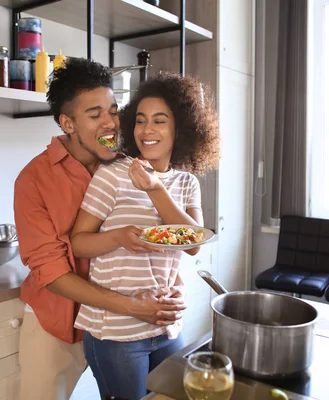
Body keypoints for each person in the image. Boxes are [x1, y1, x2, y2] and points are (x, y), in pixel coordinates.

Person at [13, 59, 187, 400]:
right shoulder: (33, 180)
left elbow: (163, 241)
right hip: (57, 326)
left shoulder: (132, 167)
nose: (111, 123)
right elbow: (51, 271)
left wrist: (175, 287)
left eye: (113, 110)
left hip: (127, 329)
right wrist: (130, 306)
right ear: (68, 123)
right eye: (95, 115)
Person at [70, 73, 220, 400]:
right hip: (117, 332)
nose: (147, 130)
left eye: (159, 121)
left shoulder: (185, 184)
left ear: (180, 128)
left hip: (165, 327)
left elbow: (193, 244)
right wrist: (119, 237)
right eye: (140, 120)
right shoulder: (112, 175)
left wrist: (155, 189)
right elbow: (78, 242)